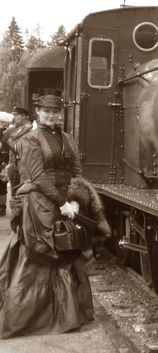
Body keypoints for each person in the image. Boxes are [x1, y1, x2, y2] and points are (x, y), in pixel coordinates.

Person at [0, 95, 96, 338]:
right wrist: (62, 202)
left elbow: (76, 170)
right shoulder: (30, 139)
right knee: (40, 253)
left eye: (55, 111)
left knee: (67, 250)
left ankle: (67, 314)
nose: (52, 115)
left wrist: (75, 198)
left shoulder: (67, 139)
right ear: (38, 112)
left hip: (65, 203)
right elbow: (38, 176)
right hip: (41, 204)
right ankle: (28, 317)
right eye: (46, 111)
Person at [2, 107, 32, 196]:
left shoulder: (31, 128)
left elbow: (13, 144)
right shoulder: (15, 129)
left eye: (15, 115)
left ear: (23, 116)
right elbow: (4, 141)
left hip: (24, 166)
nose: (13, 118)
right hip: (13, 166)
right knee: (14, 194)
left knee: (23, 194)